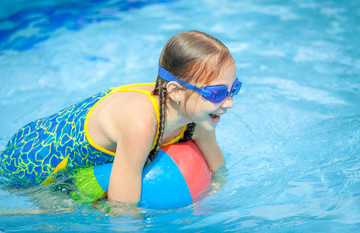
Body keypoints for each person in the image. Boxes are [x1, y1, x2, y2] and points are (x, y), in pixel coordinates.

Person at [0, 30, 241, 204]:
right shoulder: (142, 122)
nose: (229, 101)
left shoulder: (197, 112)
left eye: (233, 88)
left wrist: (214, 193)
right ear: (176, 92)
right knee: (68, 214)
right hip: (34, 161)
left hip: (53, 148)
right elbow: (122, 209)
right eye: (217, 92)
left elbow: (217, 167)